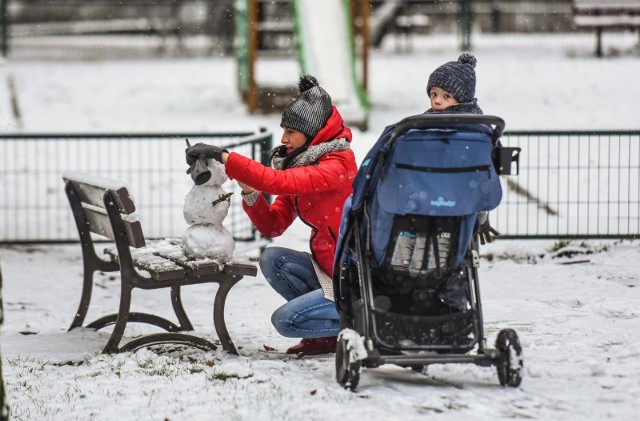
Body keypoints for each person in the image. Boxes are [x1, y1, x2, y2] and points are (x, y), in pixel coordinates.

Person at [185, 75, 357, 356]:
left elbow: (278, 181)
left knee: (286, 320)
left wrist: (225, 157)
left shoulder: (337, 165)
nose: (283, 139)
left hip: (352, 281)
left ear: (312, 134)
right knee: (273, 258)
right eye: (284, 130)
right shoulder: (306, 162)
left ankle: (356, 325)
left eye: (291, 132)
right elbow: (273, 225)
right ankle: (326, 335)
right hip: (331, 271)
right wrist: (250, 191)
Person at [425, 52, 498, 243]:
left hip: (460, 190)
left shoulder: (475, 127)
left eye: (446, 96)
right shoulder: (421, 123)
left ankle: (479, 222)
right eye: (434, 94)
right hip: (430, 187)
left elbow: (490, 162)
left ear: (462, 99)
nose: (437, 101)